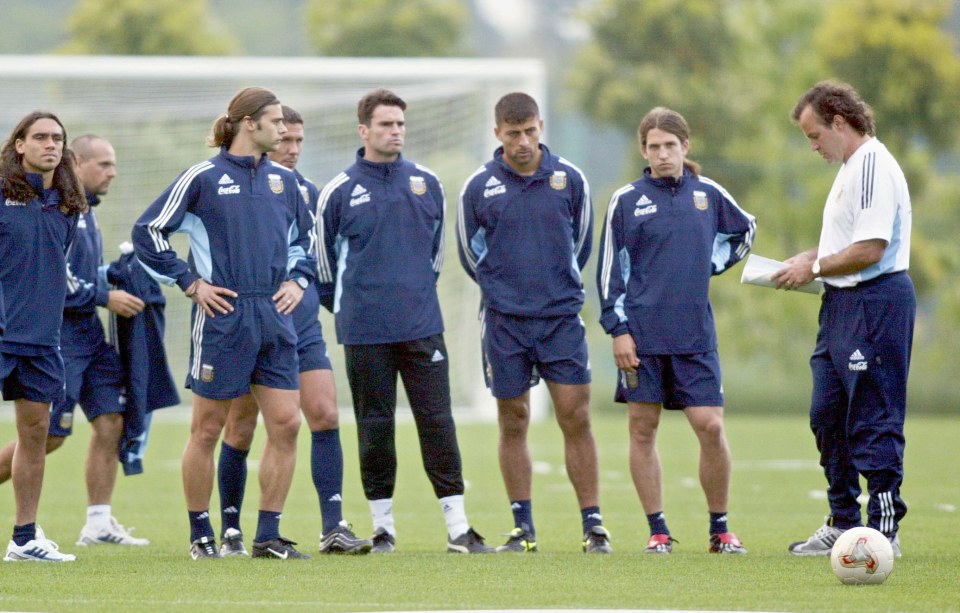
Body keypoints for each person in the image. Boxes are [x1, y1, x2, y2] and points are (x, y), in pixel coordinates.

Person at [133, 87, 317, 560]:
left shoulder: (285, 182)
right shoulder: (203, 176)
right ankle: (201, 535)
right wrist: (191, 283)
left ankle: (267, 537)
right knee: (209, 429)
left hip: (275, 318)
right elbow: (147, 231)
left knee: (287, 424)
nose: (284, 130)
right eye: (276, 122)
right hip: (223, 318)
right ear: (249, 124)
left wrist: (298, 279)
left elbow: (306, 240)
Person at [316, 88, 493, 554]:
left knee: (438, 422)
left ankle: (459, 529)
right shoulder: (338, 190)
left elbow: (434, 255)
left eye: (400, 124)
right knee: (375, 427)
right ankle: (382, 529)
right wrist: (355, 305)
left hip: (420, 326)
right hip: (364, 330)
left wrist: (409, 295)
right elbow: (322, 266)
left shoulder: (426, 182)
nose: (395, 131)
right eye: (385, 124)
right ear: (364, 130)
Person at [596, 107, 756, 555]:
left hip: (694, 336)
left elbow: (745, 231)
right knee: (642, 427)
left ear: (685, 147)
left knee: (710, 427)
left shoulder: (708, 194)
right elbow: (609, 271)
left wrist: (712, 262)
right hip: (641, 338)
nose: (663, 154)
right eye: (654, 147)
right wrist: (618, 329)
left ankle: (720, 529)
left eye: (670, 146)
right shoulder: (626, 200)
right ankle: (658, 530)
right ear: (643, 150)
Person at [457, 92, 610, 554]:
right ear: (497, 134)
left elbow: (581, 245)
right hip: (504, 323)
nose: (522, 142)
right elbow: (469, 253)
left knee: (575, 415)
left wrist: (554, 285)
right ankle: (524, 528)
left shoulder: (570, 179)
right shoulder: (478, 186)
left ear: (541, 126)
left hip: (560, 319)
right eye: (512, 134)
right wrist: (506, 290)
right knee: (513, 419)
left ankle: (594, 526)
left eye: (530, 132)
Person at [217, 105, 371, 556]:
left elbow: (316, 260)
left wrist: (319, 296)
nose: (293, 148)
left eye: (300, 140)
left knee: (324, 414)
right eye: (286, 139)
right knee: (241, 428)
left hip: (299, 324)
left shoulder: (308, 192)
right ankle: (230, 529)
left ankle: (333, 527)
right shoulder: (239, 185)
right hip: (251, 323)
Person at [773, 81, 914, 557]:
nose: (812, 146)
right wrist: (808, 258)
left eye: (815, 136)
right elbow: (845, 244)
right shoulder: (851, 169)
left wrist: (811, 267)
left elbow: (871, 248)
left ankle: (883, 529)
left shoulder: (873, 164)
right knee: (826, 414)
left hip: (875, 301)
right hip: (839, 305)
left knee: (873, 417)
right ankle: (842, 521)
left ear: (839, 122)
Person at [0, 134, 149, 547]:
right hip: (58, 335)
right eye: (104, 164)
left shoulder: (84, 210)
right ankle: (28, 532)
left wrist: (114, 276)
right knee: (47, 436)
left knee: (111, 421)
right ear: (78, 162)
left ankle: (98, 523)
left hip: (91, 337)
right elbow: (51, 273)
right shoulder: (51, 206)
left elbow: (82, 270)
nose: (112, 172)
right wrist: (104, 295)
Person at [1, 111, 87, 561]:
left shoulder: (68, 203)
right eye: (40, 137)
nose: (50, 144)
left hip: (40, 340)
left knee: (35, 435)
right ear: (19, 145)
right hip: (1, 335)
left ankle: (24, 539)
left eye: (57, 137)